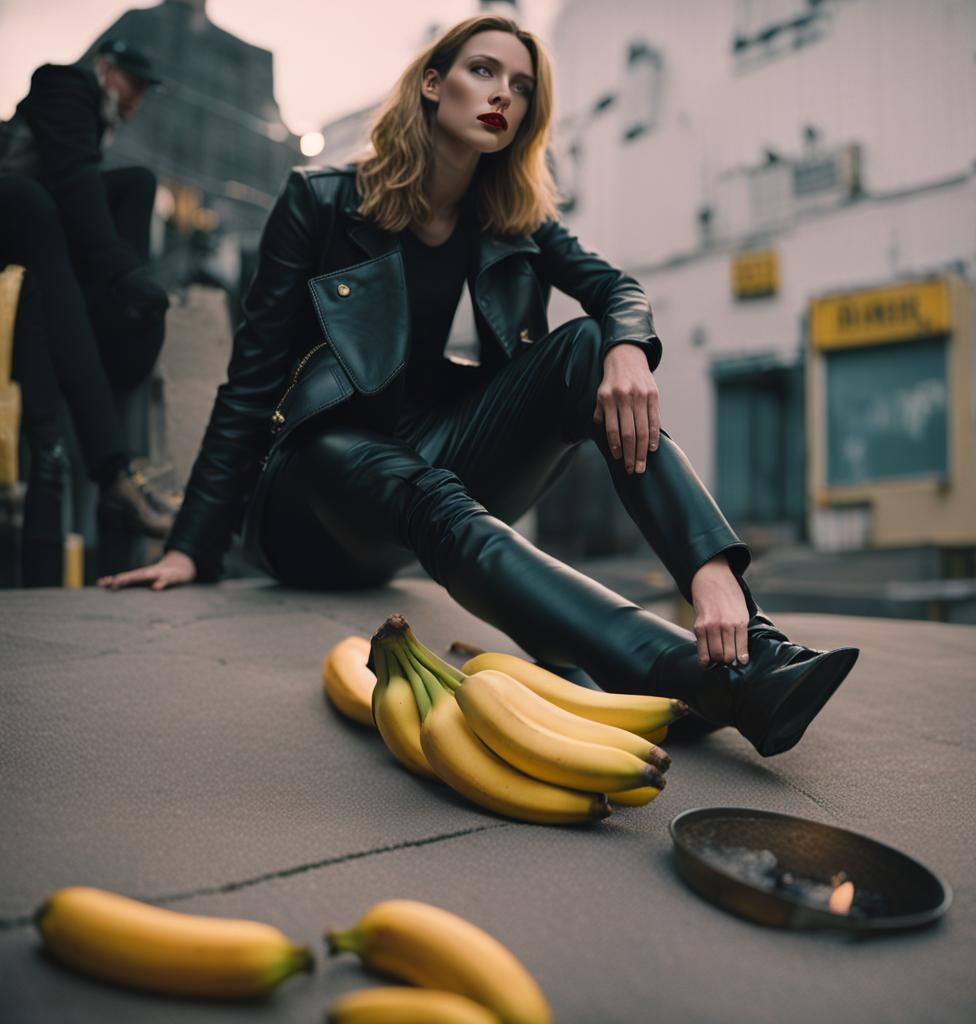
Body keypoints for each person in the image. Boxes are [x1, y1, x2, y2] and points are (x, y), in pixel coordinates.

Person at [98, 14, 858, 757]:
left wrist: (626, 347)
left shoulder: (511, 218)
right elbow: (250, 380)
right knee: (378, 462)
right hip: (315, 494)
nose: (503, 94)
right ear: (433, 84)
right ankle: (686, 674)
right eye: (482, 71)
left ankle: (747, 635)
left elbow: (614, 289)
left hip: (426, 463)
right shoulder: (321, 201)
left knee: (590, 345)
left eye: (521, 86)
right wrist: (191, 547)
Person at [0, 37, 180, 582]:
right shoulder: (64, 86)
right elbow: (73, 185)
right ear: (105, 70)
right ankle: (114, 471)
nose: (136, 99)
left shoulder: (99, 114)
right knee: (42, 205)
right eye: (131, 84)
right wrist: (125, 271)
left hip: (44, 238)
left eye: (142, 90)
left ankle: (115, 323)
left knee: (138, 182)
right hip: (16, 215)